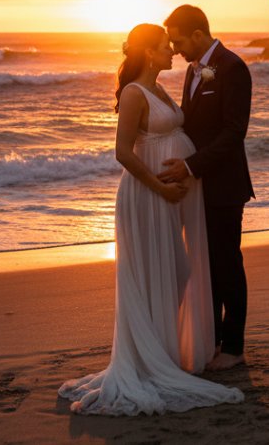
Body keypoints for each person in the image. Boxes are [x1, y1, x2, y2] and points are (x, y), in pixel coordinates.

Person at [58, 23, 244, 416]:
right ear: (148, 54)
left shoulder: (160, 89)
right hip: (148, 195)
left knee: (175, 269)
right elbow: (123, 153)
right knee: (163, 270)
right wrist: (161, 188)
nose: (172, 52)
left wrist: (188, 171)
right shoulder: (133, 93)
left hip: (173, 194)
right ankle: (150, 358)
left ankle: (167, 350)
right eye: (165, 47)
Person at [157, 5, 254, 371]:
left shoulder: (232, 68)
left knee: (227, 264)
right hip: (198, 186)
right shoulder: (192, 71)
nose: (176, 48)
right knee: (206, 266)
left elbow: (234, 132)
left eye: (179, 40)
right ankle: (210, 340)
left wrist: (190, 166)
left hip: (224, 185)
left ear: (198, 34)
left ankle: (234, 347)